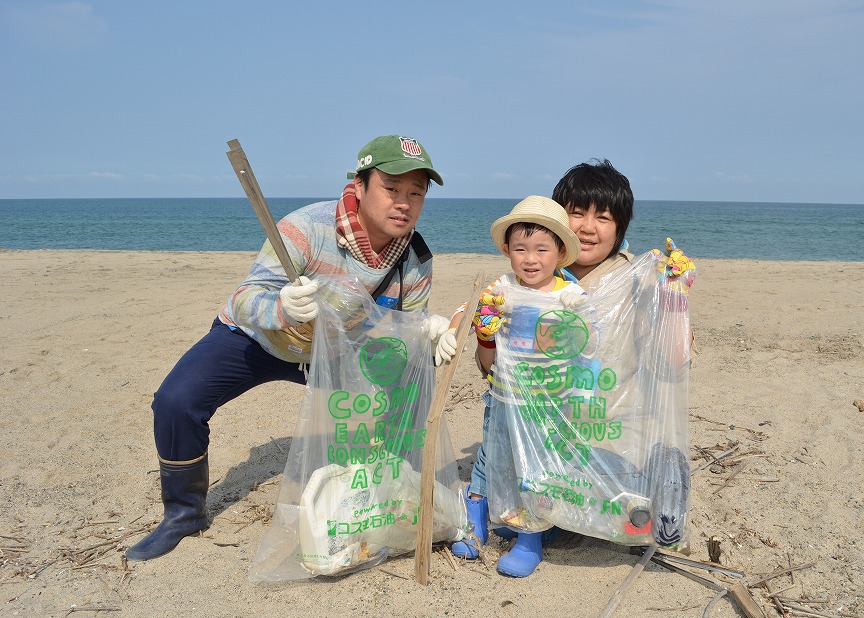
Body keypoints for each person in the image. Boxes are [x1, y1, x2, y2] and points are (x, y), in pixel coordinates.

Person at [126, 135, 457, 562]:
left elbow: (403, 332)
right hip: (259, 339)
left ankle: (390, 492)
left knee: (412, 382)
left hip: (336, 350)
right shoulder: (306, 228)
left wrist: (428, 333)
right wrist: (280, 306)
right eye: (391, 189)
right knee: (176, 400)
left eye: (416, 193)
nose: (404, 204)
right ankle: (183, 514)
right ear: (359, 186)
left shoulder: (415, 258)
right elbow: (246, 298)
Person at [444, 159, 693, 576]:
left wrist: (674, 296)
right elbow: (490, 367)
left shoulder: (637, 280)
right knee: (514, 453)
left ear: (621, 227)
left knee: (633, 516)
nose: (588, 227)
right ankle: (515, 511)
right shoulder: (531, 277)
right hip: (541, 423)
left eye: (604, 217)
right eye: (577, 212)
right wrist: (483, 335)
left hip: (604, 431)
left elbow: (675, 363)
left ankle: (649, 480)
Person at [447, 195, 586, 577]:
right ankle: (475, 520)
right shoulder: (502, 288)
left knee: (538, 466)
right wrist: (479, 327)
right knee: (490, 457)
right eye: (520, 249)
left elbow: (591, 335)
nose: (530, 259)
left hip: (549, 402)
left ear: (560, 253)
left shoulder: (569, 295)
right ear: (507, 250)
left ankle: (529, 538)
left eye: (542, 249)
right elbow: (472, 310)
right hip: (503, 395)